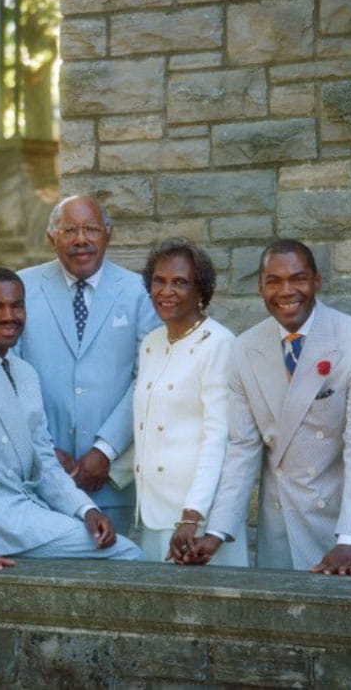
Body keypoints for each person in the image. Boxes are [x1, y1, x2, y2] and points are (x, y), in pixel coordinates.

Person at [189, 239, 351, 575]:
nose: (286, 291)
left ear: (317, 281)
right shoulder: (244, 349)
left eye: (298, 278)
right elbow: (243, 448)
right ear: (260, 287)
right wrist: (216, 533)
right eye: (273, 281)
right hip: (283, 529)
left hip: (349, 528)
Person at [0, 267, 142, 572]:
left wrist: (86, 509)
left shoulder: (24, 372)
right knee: (126, 552)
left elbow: (44, 459)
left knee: (112, 544)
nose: (8, 316)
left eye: (17, 306)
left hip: (22, 509)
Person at [16, 196, 160, 537]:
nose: (81, 239)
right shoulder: (20, 288)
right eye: (69, 230)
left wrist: (104, 450)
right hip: (40, 479)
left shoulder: (140, 292)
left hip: (110, 483)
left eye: (91, 229)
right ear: (52, 237)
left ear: (108, 234)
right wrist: (45, 451)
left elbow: (148, 377)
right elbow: (9, 373)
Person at [134, 238, 248, 566]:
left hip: (197, 521)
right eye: (159, 281)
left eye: (180, 282)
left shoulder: (219, 344)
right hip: (154, 512)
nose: (166, 291)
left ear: (201, 291)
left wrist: (192, 515)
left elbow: (219, 438)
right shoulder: (152, 343)